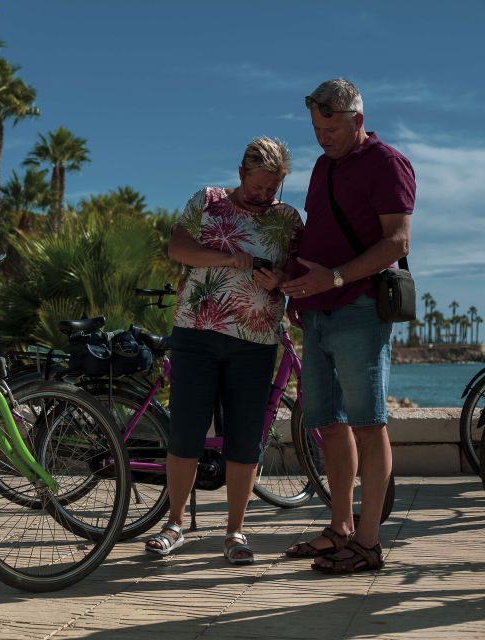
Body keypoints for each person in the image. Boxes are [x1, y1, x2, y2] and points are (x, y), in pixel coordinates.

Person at [144, 137, 303, 565]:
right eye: (258, 187)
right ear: (240, 174)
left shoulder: (288, 219)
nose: (265, 196)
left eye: (273, 188)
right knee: (186, 431)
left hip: (255, 342)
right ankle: (174, 524)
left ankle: (235, 532)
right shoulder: (208, 200)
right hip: (195, 332)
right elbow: (178, 248)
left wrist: (281, 279)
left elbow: (297, 268)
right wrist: (229, 259)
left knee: (245, 438)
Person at [281, 79, 414, 574]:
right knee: (329, 424)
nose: (322, 139)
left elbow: (396, 242)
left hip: (359, 308)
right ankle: (340, 528)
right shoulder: (321, 166)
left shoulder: (388, 163)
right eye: (316, 129)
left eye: (330, 129)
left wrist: (333, 278)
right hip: (316, 311)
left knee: (367, 422)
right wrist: (296, 283)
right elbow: (319, 233)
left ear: (358, 121)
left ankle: (369, 542)